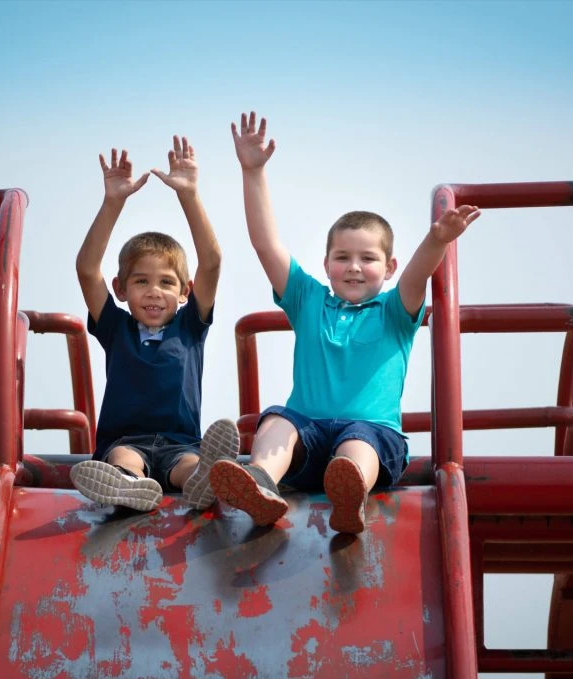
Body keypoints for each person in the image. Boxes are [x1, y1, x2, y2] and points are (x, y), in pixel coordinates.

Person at [210, 112, 480, 534]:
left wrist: (437, 239)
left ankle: (350, 496)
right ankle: (261, 483)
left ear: (387, 266)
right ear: (326, 264)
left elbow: (417, 275)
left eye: (368, 258)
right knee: (278, 418)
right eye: (343, 258)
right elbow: (266, 244)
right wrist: (253, 172)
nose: (354, 268)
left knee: (359, 442)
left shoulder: (394, 311)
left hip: (370, 435)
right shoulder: (309, 300)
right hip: (308, 436)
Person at [70, 136, 239, 513]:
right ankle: (127, 488)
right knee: (126, 461)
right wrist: (113, 202)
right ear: (121, 289)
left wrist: (189, 196)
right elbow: (86, 269)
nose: (154, 292)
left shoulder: (190, 326)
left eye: (166, 282)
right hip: (125, 442)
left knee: (190, 466)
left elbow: (211, 262)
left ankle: (206, 482)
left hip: (182, 444)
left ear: (184, 292)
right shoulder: (116, 328)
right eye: (141, 281)